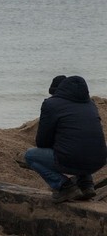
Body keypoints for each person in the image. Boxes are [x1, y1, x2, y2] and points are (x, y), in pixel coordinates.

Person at [24, 75, 107, 203]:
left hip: (73, 158)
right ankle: (86, 185)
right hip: (99, 160)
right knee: (78, 144)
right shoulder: (91, 104)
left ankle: (64, 187)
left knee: (30, 155)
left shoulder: (51, 104)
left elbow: (42, 141)